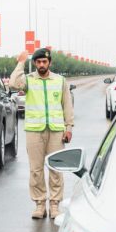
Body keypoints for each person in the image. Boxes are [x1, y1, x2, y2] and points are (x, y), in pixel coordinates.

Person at [9, 48, 74, 219]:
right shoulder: (29, 80)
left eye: (45, 62)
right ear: (35, 63)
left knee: (55, 168)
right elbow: (13, 84)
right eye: (38, 62)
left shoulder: (60, 80)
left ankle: (54, 204)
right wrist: (21, 62)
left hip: (55, 130)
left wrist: (69, 127)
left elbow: (67, 105)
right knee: (36, 170)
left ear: (50, 63)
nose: (42, 64)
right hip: (34, 131)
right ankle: (39, 204)